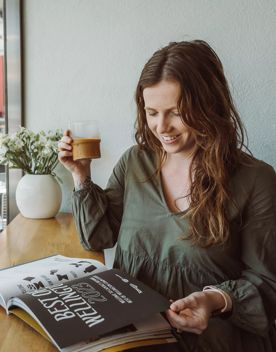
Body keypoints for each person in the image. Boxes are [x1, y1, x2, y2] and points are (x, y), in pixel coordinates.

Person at [58, 40, 276, 351]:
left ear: (208, 106)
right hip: (136, 337)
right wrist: (80, 175)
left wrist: (213, 300)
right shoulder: (136, 162)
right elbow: (98, 237)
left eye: (176, 112)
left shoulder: (256, 179)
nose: (162, 127)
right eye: (152, 112)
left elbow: (267, 284)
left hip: (213, 341)